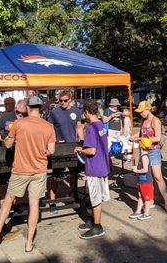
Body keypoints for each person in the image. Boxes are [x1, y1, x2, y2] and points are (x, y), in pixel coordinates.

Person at [0, 96, 55, 252]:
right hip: (39, 170)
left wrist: (6, 138)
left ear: (28, 108)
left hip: (21, 169)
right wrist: (41, 152)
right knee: (34, 205)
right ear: (40, 108)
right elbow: (51, 151)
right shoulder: (48, 126)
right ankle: (28, 244)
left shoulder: (19, 123)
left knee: (8, 200)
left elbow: (8, 145)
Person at [75, 99, 110, 239]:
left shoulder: (90, 128)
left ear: (87, 112)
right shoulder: (101, 124)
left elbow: (92, 150)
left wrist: (80, 148)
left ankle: (97, 227)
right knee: (91, 196)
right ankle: (91, 220)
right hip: (103, 165)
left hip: (95, 168)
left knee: (95, 198)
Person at [132, 100, 167, 213]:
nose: (140, 113)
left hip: (154, 151)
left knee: (158, 177)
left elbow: (158, 138)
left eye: (142, 111)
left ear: (148, 109)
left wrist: (142, 139)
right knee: (147, 178)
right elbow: (141, 133)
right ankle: (151, 200)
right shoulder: (143, 120)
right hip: (144, 151)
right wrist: (135, 137)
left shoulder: (155, 120)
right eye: (139, 112)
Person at [47, 89, 84, 199]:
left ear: (70, 100)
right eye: (61, 101)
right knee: (56, 174)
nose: (63, 102)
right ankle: (52, 199)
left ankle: (72, 195)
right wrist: (53, 141)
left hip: (72, 146)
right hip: (59, 147)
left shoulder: (76, 111)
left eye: (65, 100)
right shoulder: (54, 112)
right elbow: (49, 129)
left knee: (73, 172)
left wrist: (82, 140)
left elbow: (79, 127)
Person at [129, 137, 154, 220]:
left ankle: (146, 213)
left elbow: (145, 170)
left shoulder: (144, 157)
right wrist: (136, 168)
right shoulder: (142, 156)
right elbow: (142, 167)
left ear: (141, 146)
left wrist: (137, 170)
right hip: (142, 181)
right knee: (140, 196)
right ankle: (138, 211)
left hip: (146, 182)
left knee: (146, 198)